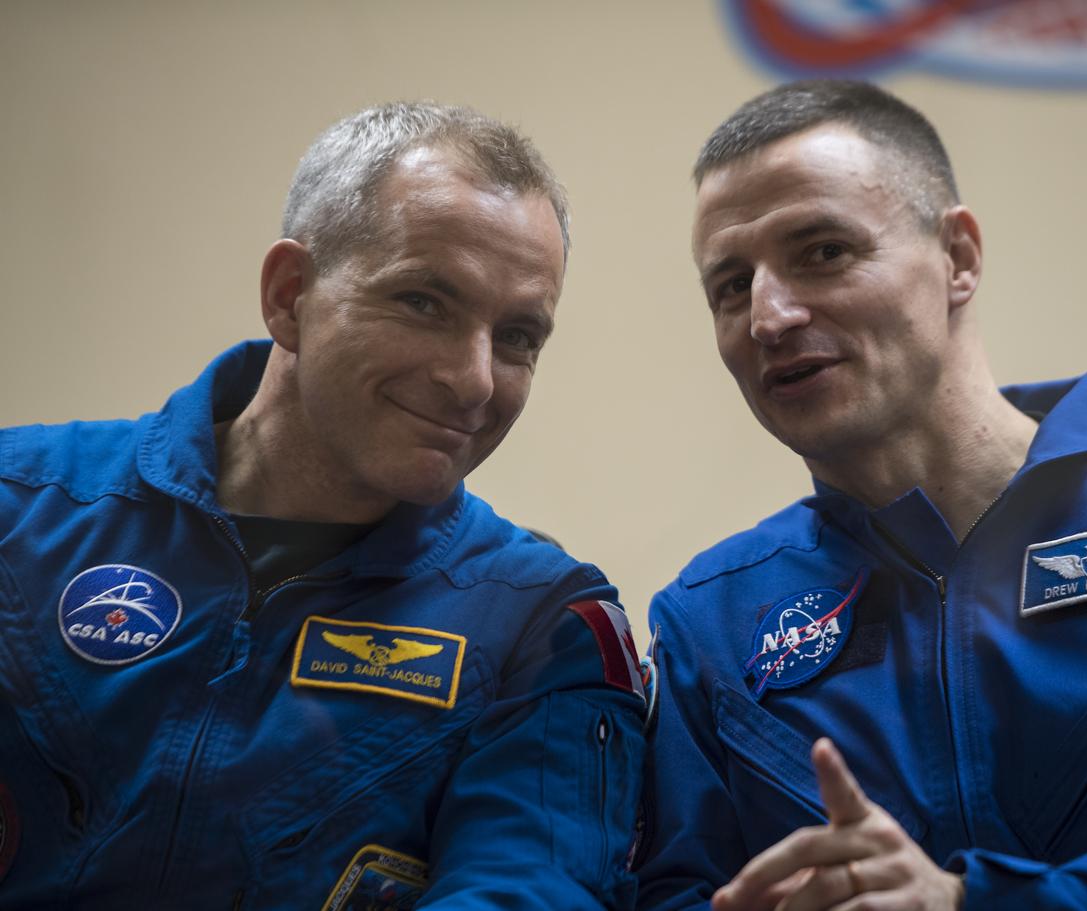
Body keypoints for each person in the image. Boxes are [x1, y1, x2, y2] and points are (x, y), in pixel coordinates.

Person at [635, 80, 1087, 910]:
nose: (768, 315)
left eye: (823, 251)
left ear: (960, 257)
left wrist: (965, 902)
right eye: (730, 286)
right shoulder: (710, 619)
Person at [0, 102, 645, 910]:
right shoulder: (19, 508)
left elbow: (527, 889)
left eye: (517, 336)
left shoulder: (541, 624)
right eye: (424, 302)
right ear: (289, 295)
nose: (475, 379)